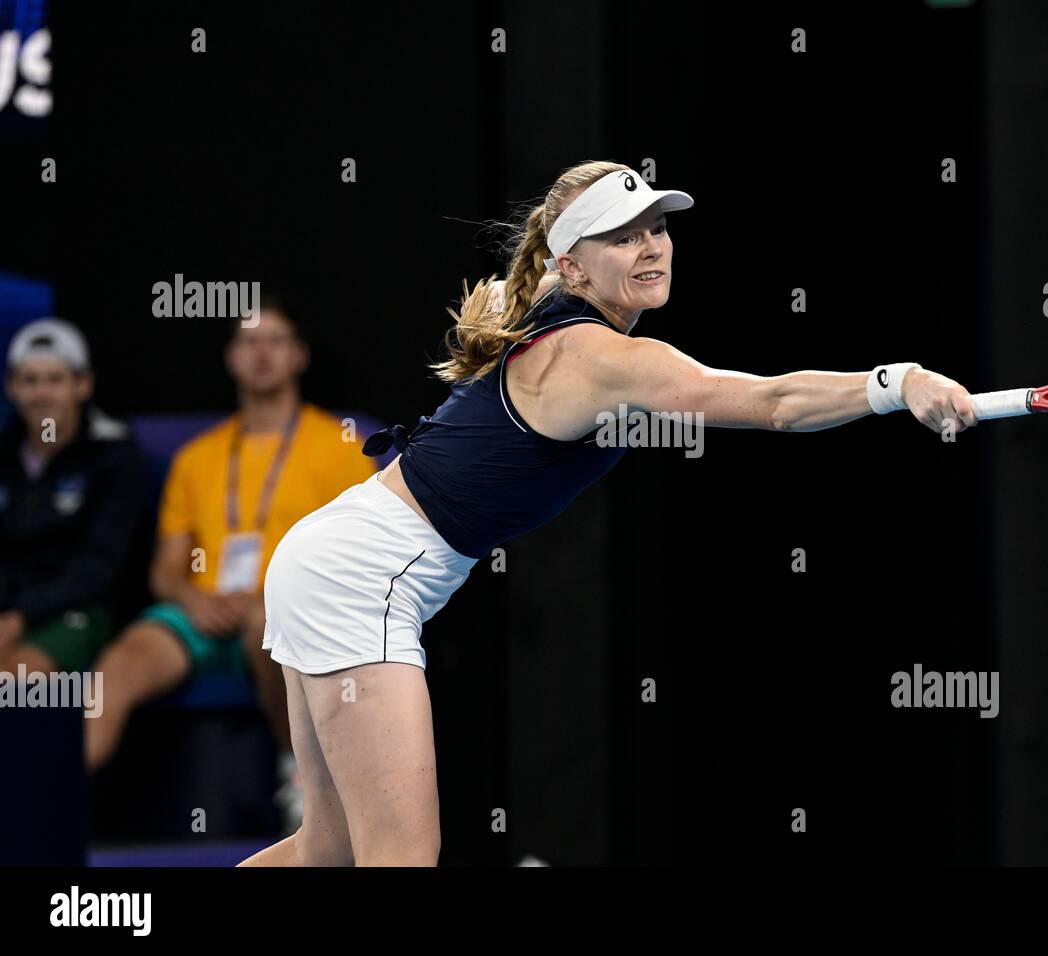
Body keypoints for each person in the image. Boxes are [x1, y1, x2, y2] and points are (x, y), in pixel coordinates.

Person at [241, 161, 978, 867]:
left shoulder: (559, 323)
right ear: (573, 266)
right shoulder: (603, 355)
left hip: (331, 556)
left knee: (326, 850)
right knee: (400, 856)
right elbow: (775, 405)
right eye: (622, 235)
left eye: (656, 226)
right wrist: (897, 381)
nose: (651, 244)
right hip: (362, 577)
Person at [86, 299, 376, 835]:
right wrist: (193, 599)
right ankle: (51, 804)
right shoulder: (197, 457)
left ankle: (304, 779)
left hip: (286, 612)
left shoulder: (341, 446)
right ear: (231, 358)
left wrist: (273, 597)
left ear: (299, 355)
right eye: (249, 341)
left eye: (275, 341)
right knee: (115, 666)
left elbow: (355, 558)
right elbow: (167, 571)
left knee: (265, 624)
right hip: (203, 615)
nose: (262, 353)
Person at [0, 318, 148, 677]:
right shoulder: (4, 452)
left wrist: (20, 619)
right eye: (30, 380)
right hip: (10, 608)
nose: (42, 393)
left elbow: (97, 567)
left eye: (55, 379)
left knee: (14, 678)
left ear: (82, 384)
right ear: (12, 387)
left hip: (83, 610)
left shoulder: (113, 454)